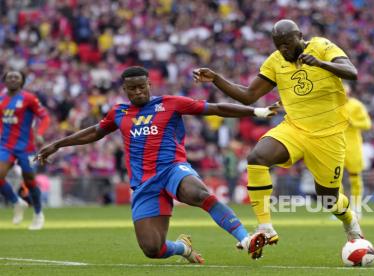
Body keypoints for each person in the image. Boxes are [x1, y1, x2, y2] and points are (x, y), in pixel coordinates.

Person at [36, 66, 278, 262]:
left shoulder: (171, 103)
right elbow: (94, 132)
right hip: (144, 183)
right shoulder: (118, 113)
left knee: (198, 192)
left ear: (149, 85)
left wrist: (257, 112)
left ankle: (247, 239)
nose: (138, 92)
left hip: (173, 169)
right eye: (132, 89)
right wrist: (58, 144)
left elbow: (214, 108)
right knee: (152, 249)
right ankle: (183, 248)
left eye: (142, 87)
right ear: (125, 90)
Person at [193, 19, 364, 251]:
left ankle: (349, 221)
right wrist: (216, 79)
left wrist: (322, 64)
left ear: (300, 36)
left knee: (328, 198)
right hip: (294, 128)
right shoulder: (275, 61)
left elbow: (352, 72)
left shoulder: (323, 46)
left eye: (287, 43)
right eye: (277, 44)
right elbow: (248, 95)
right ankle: (265, 227)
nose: (282, 49)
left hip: (328, 134)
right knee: (257, 158)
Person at [0, 70, 50, 230]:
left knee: (29, 180)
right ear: (5, 80)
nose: (13, 79)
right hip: (5, 146)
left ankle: (38, 214)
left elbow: (45, 117)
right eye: (10, 77)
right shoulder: (1, 98)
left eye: (16, 77)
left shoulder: (29, 98)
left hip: (26, 147)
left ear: (22, 81)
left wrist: (40, 134)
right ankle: (16, 202)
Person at [343, 84, 372, 219]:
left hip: (353, 147)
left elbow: (367, 124)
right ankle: (340, 209)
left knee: (355, 178)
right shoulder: (331, 106)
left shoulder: (356, 105)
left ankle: (357, 207)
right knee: (335, 180)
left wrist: (352, 122)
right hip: (335, 146)